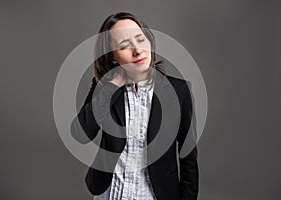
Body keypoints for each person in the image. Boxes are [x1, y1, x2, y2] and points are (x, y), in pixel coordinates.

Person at [71, 12, 199, 200]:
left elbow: (188, 158)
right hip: (111, 193)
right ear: (113, 57)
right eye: (124, 46)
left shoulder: (179, 91)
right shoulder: (105, 88)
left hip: (156, 194)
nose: (137, 50)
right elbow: (81, 133)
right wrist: (112, 86)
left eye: (140, 39)